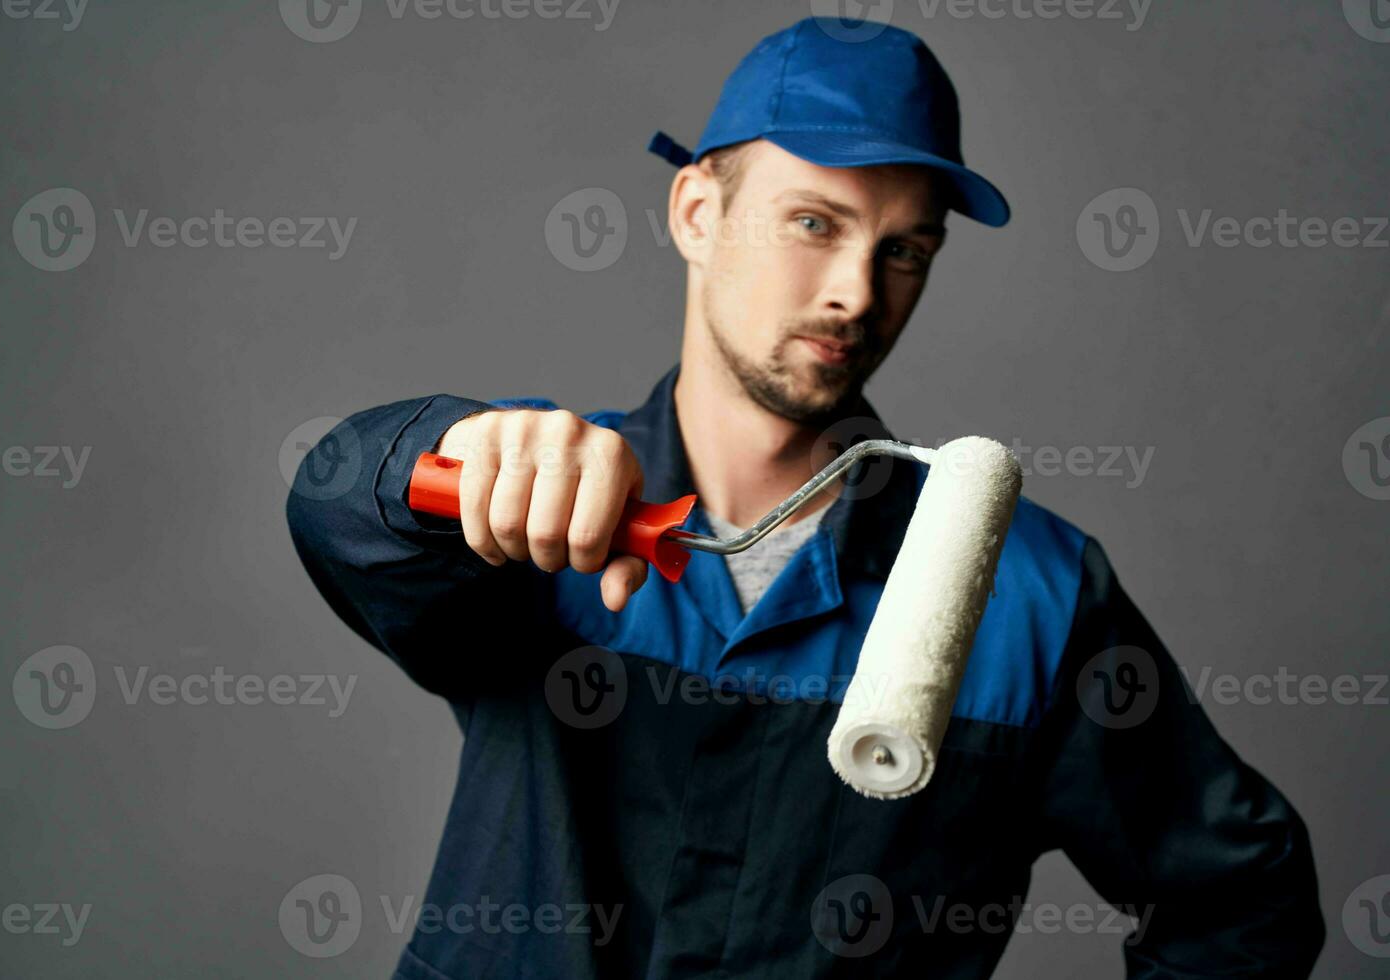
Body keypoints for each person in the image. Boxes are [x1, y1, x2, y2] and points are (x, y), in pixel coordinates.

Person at [286, 17, 1324, 978]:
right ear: (698, 211)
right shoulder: (537, 510)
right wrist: (450, 448)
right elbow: (338, 505)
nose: (858, 292)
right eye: (814, 221)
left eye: (905, 248)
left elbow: (1243, 896)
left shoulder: (1033, 596)